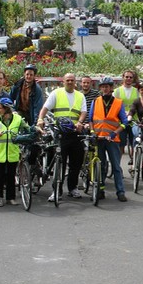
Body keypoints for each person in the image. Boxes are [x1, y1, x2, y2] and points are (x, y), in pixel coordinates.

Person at [37, 73, 87, 202]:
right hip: (61, 133)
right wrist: (40, 119)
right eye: (68, 80)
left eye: (72, 80)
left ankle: (72, 188)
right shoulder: (56, 93)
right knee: (60, 162)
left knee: (76, 162)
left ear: (75, 82)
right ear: (63, 82)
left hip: (75, 133)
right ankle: (56, 191)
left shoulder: (80, 95)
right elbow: (45, 108)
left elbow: (83, 112)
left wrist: (80, 122)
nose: (70, 82)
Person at [90, 76, 129, 202]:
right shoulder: (95, 101)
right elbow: (91, 120)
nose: (105, 89)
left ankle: (120, 192)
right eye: (102, 87)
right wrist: (92, 132)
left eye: (107, 87)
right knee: (101, 166)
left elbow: (124, 122)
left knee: (116, 167)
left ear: (111, 88)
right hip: (99, 138)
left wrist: (114, 133)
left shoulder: (118, 102)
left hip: (112, 140)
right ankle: (100, 190)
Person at [0, 97, 30, 207]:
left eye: (0, 108)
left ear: (7, 109)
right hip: (0, 154)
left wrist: (33, 131)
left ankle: (11, 198)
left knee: (11, 176)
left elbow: (27, 128)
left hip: (12, 152)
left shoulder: (18, 119)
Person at [113, 70, 139, 163]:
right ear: (123, 77)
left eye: (130, 77)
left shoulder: (136, 91)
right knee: (121, 145)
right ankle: (118, 167)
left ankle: (134, 165)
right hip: (121, 122)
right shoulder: (117, 91)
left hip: (133, 120)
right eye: (126, 77)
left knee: (135, 143)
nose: (128, 79)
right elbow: (113, 106)